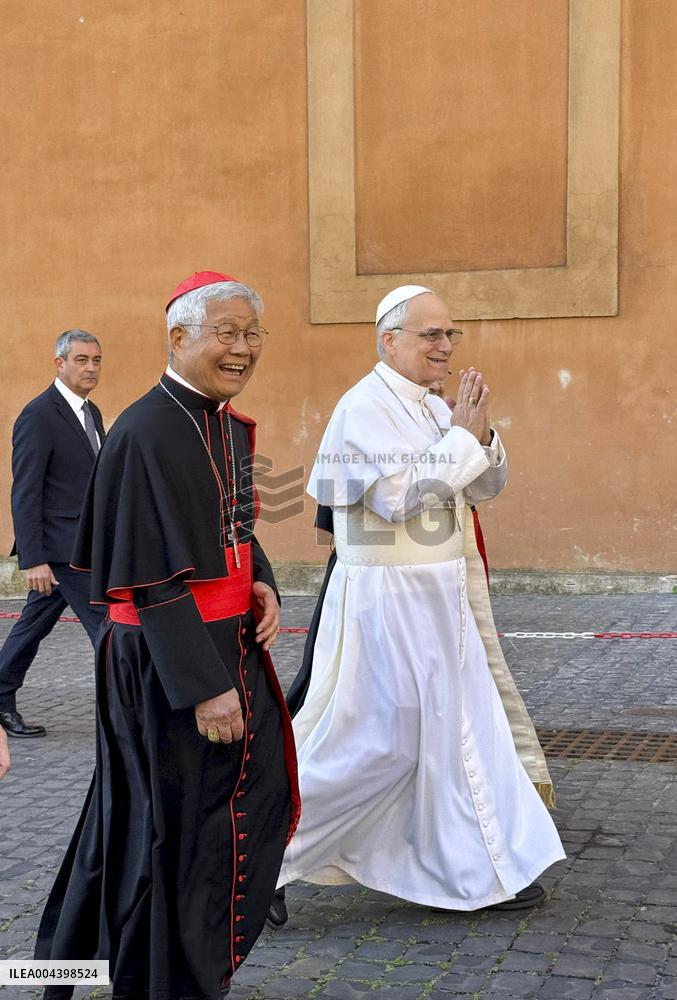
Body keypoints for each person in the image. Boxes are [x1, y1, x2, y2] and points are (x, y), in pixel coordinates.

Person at [34, 272, 300, 1000]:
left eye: (251, 334)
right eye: (227, 332)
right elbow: (150, 578)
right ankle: (162, 982)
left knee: (138, 826)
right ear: (179, 338)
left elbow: (232, 525)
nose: (242, 348)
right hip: (171, 663)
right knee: (167, 834)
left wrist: (261, 579)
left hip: (217, 644)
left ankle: (69, 971)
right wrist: (208, 690)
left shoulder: (218, 418)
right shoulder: (149, 429)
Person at [274, 284, 564, 918]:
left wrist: (480, 439)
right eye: (432, 334)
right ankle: (264, 855)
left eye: (450, 335)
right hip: (389, 603)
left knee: (456, 739)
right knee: (381, 744)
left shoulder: (434, 408)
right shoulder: (363, 407)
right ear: (390, 340)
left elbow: (476, 488)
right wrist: (460, 438)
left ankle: (473, 874)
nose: (445, 346)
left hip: (442, 599)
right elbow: (400, 498)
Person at [0, 331, 106, 739]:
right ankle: (127, 711)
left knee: (32, 626)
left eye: (96, 360)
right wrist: (33, 559)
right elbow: (25, 490)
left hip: (84, 545)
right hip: (61, 552)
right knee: (109, 627)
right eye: (81, 360)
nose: (91, 368)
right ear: (59, 363)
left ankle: (1, 694)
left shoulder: (90, 411)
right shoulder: (39, 414)